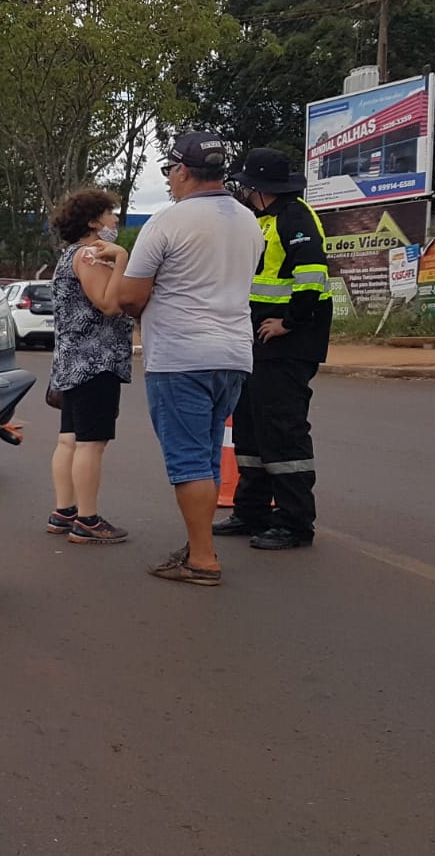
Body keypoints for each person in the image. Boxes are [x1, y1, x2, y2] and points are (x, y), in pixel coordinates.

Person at [110, 131, 263, 586]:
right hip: (234, 355)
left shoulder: (167, 222)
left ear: (182, 171)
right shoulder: (248, 221)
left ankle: (202, 559)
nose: (171, 182)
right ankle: (202, 546)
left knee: (188, 461)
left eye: (170, 172)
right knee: (208, 456)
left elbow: (131, 297)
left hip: (181, 357)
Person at [216, 148, 333, 550]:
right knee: (250, 424)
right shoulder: (262, 219)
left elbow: (312, 274)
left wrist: (290, 322)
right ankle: (251, 511)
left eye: (248, 185)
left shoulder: (295, 216)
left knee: (283, 428)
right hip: (257, 341)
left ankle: (295, 522)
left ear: (260, 188)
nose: (244, 191)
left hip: (289, 341)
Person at [45, 188, 135, 545]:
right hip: (97, 361)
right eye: (110, 214)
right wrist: (123, 259)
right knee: (91, 443)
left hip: (72, 361)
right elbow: (108, 305)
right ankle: (88, 519)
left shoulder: (69, 255)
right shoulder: (90, 256)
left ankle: (63, 510)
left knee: (69, 439)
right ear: (94, 221)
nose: (115, 220)